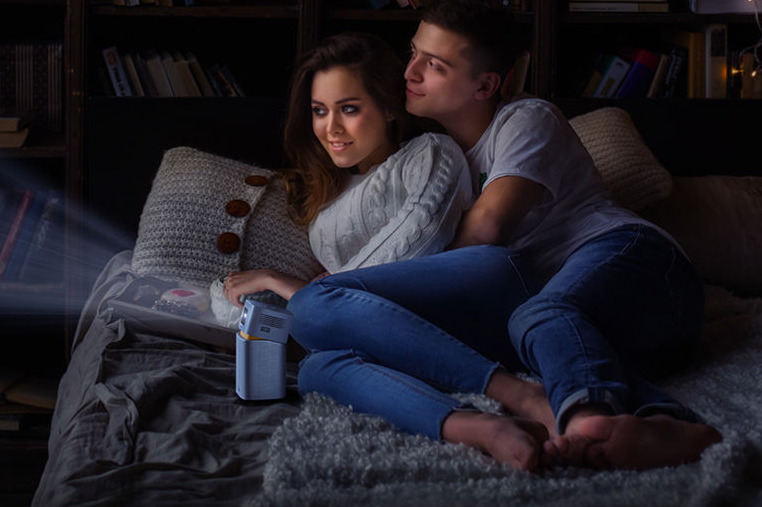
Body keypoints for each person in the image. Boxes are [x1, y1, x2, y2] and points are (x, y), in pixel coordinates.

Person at [401, 0, 722, 470]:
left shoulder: (526, 118)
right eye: (413, 52)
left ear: (486, 84)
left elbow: (488, 228)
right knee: (543, 338)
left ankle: (586, 421)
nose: (410, 72)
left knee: (541, 314)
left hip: (640, 266)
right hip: (622, 335)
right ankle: (667, 423)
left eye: (434, 64)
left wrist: (378, 283)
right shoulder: (426, 156)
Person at [218, 32, 555, 471]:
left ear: (389, 108)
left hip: (471, 297)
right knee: (317, 369)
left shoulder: (431, 153)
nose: (330, 128)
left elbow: (415, 248)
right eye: (319, 111)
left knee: (311, 308)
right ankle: (476, 427)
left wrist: (284, 284)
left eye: (349, 109)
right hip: (389, 326)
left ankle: (518, 391)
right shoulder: (328, 196)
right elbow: (334, 302)